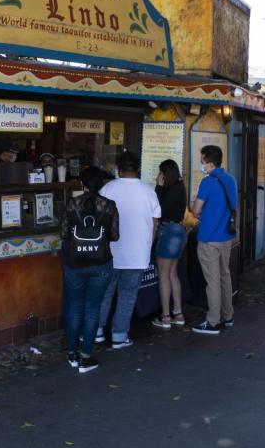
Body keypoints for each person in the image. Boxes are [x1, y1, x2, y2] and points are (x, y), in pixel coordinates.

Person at [96, 151, 161, 349]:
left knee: (105, 293)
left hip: (110, 253)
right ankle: (119, 336)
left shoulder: (108, 189)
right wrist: (147, 244)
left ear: (118, 168)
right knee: (128, 295)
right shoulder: (148, 190)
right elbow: (155, 223)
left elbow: (99, 218)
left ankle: (96, 331)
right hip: (137, 253)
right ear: (138, 168)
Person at [59, 166, 118, 374]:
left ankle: (72, 354)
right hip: (101, 263)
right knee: (93, 310)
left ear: (82, 184)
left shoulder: (72, 203)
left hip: (75, 263)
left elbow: (64, 233)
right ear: (101, 184)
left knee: (75, 307)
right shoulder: (109, 205)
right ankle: (86, 358)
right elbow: (115, 235)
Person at [191, 144, 237, 335]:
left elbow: (196, 210)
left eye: (202, 161)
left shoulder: (208, 182)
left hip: (209, 238)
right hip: (226, 236)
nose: (201, 164)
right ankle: (228, 316)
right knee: (225, 276)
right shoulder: (230, 179)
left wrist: (195, 204)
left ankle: (213, 321)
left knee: (213, 281)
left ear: (209, 163)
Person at [151, 159, 188, 330]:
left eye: (161, 173)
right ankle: (178, 314)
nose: (159, 176)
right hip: (180, 231)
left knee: (164, 275)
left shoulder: (171, 190)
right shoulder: (180, 187)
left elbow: (159, 209)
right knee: (173, 274)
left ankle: (166, 317)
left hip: (168, 231)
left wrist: (158, 188)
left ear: (166, 174)